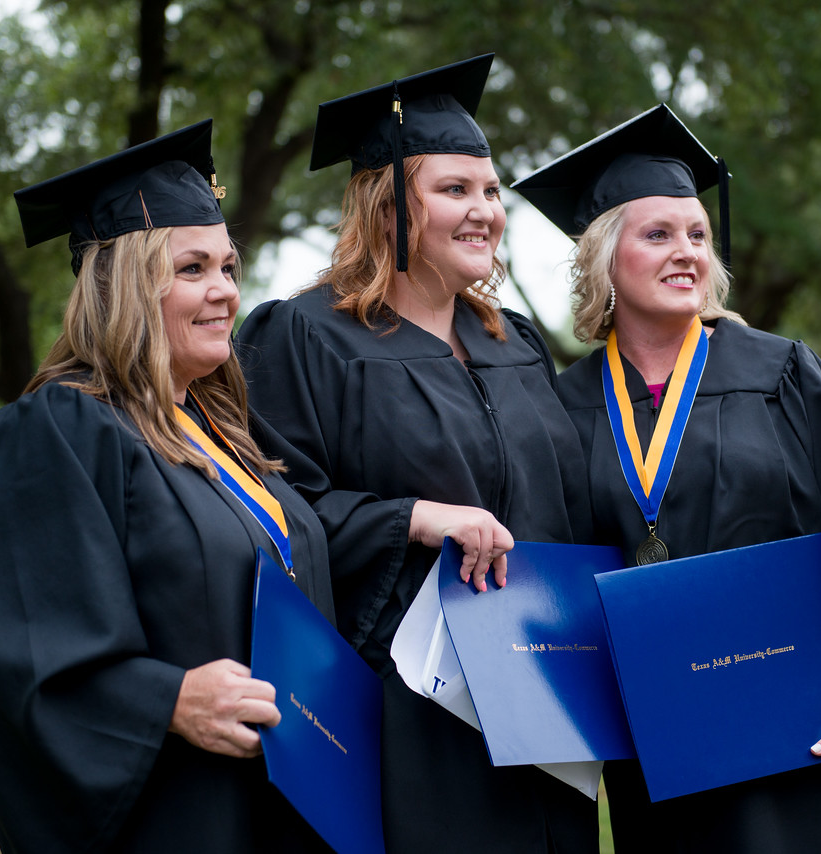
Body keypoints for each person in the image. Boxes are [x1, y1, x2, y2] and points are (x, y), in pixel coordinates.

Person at [512, 104, 821, 853]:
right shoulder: (564, 405)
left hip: (813, 729)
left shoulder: (781, 373)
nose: (686, 252)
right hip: (670, 753)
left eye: (698, 235)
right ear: (606, 257)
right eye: (658, 235)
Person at [0, 121, 337, 853]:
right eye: (191, 270)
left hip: (283, 807)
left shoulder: (223, 432)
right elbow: (9, 655)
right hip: (180, 818)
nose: (223, 292)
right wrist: (169, 700)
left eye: (228, 268)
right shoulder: (59, 430)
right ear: (126, 284)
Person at [235, 57, 597, 853]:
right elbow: (269, 518)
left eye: (492, 191)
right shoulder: (305, 337)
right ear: (388, 203)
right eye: (455, 189)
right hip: (409, 706)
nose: (485, 212)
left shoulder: (516, 341)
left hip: (539, 691)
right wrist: (413, 518)